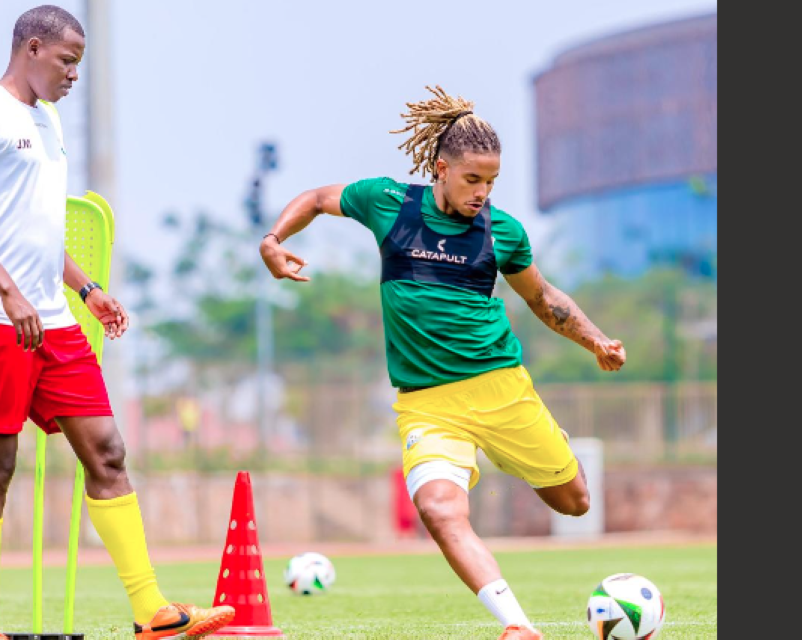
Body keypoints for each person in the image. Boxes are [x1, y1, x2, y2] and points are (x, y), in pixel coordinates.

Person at [258, 85, 626, 640]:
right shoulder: (388, 203)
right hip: (428, 408)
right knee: (438, 509)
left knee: (574, 503)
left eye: (492, 182)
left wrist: (597, 340)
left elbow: (543, 298)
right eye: (472, 179)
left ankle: (506, 452)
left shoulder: (503, 232)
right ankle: (518, 627)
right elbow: (314, 198)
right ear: (441, 167)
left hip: (502, 390)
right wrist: (273, 239)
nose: (482, 192)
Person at [0, 6, 234, 639]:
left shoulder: (48, 121)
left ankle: (153, 612)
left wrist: (86, 287)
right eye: (68, 61)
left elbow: (33, 226)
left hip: (53, 318)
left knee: (108, 452)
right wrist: (9, 292)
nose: (74, 75)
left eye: (80, 65)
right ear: (33, 48)